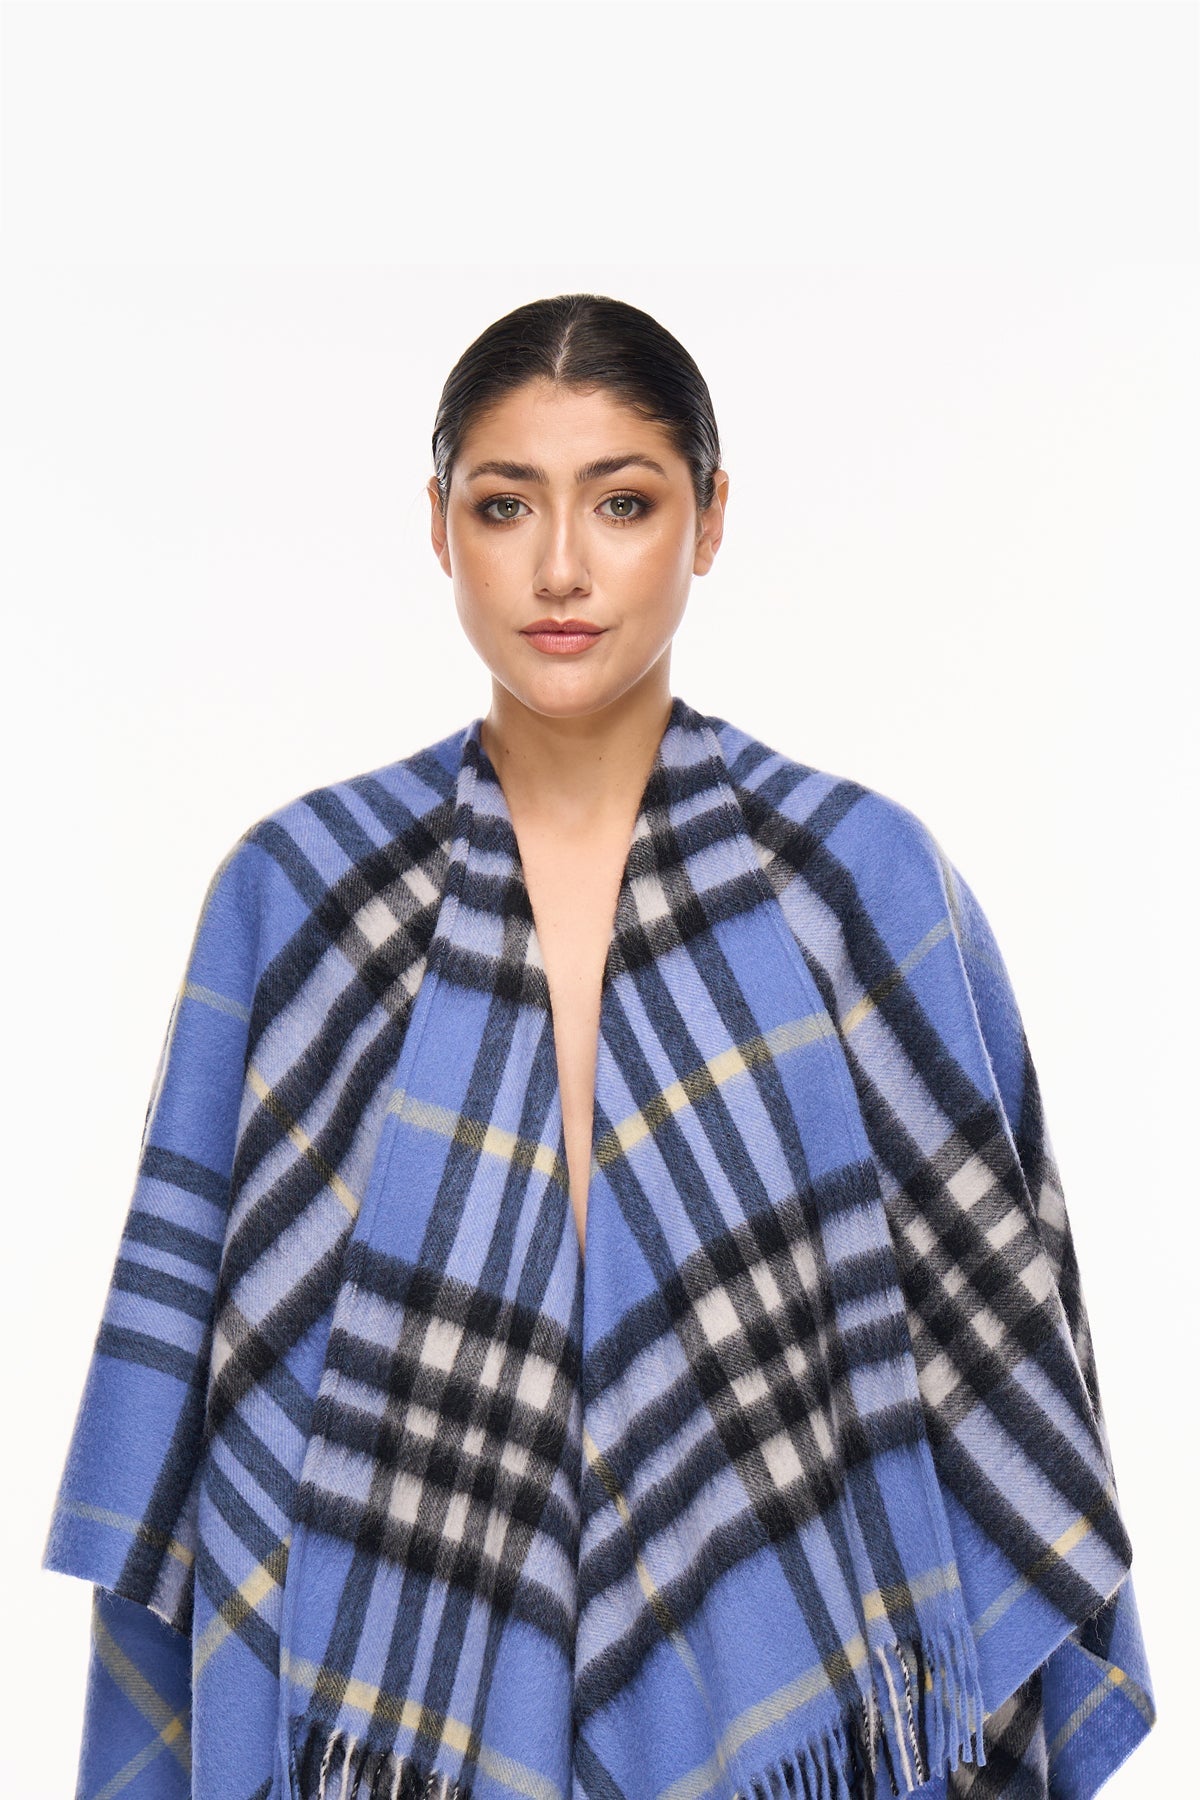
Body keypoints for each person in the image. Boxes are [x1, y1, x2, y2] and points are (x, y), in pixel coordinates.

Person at [43, 294, 1154, 1800]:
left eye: (623, 502)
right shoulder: (298, 896)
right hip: (386, 1716)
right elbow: (214, 1384)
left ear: (711, 519)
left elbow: (995, 1353)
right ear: (439, 526)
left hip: (794, 1684)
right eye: (506, 506)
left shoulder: (861, 883)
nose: (560, 567)